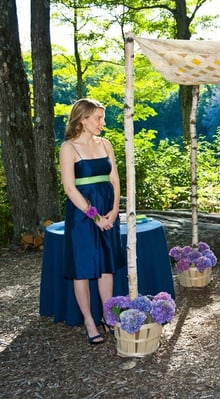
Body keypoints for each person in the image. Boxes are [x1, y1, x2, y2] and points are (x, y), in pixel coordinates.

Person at [59, 98, 124, 345]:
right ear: (82, 119)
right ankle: (88, 320)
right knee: (83, 269)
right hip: (82, 215)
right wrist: (94, 216)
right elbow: (69, 188)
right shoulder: (68, 148)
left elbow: (115, 180)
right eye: (98, 118)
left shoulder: (106, 144)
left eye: (102, 117)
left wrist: (115, 209)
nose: (102, 123)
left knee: (107, 266)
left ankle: (108, 317)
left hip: (108, 210)